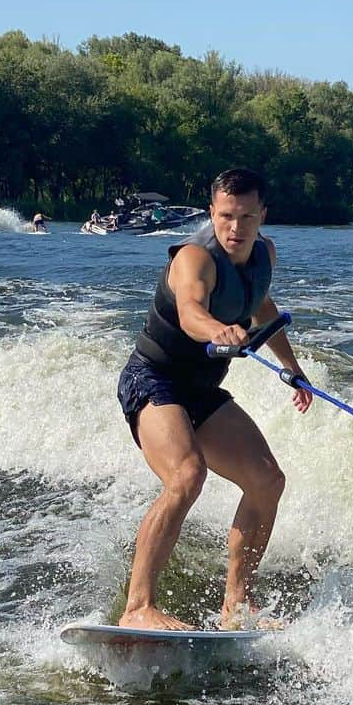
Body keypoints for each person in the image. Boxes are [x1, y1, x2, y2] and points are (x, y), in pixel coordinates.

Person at [116, 167, 311, 631]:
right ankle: (138, 607)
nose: (235, 228)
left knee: (267, 480)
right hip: (153, 380)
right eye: (226, 216)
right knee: (187, 475)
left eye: (246, 216)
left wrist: (293, 368)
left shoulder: (264, 254)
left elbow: (261, 305)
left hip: (201, 389)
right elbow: (190, 312)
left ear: (262, 215)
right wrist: (216, 329)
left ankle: (236, 606)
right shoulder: (193, 259)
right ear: (212, 212)